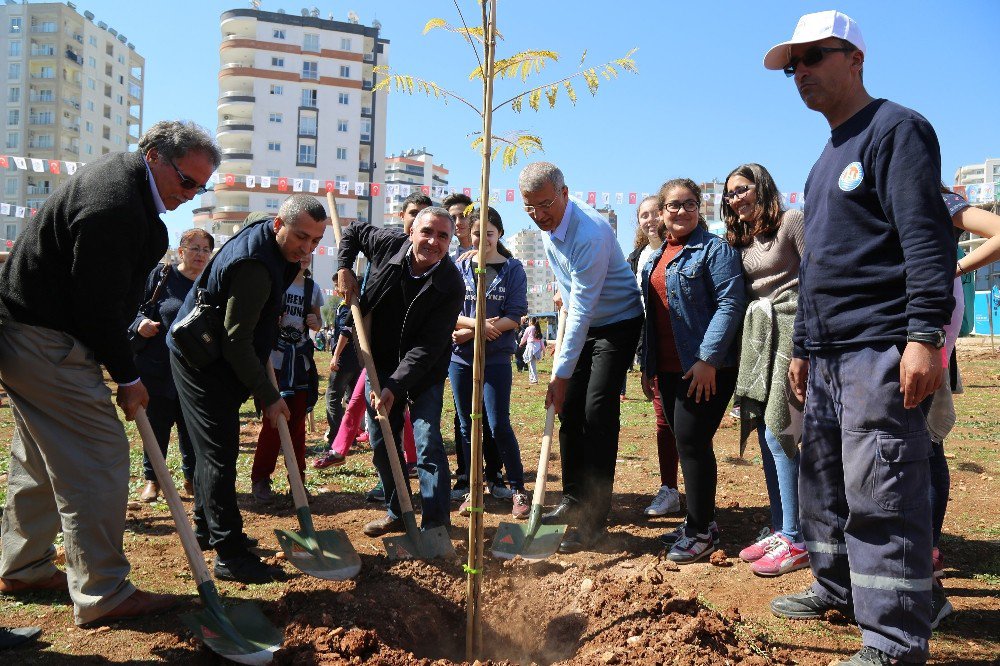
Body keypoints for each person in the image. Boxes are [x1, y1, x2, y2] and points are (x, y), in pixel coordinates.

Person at [763, 12, 956, 665]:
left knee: (882, 490)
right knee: (825, 486)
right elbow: (816, 269)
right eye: (794, 64)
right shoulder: (823, 163)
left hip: (880, 345)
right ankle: (837, 588)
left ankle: (896, 639)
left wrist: (924, 334)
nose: (802, 72)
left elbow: (926, 239)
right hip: (825, 357)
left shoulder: (897, 130)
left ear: (855, 59)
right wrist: (801, 350)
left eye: (815, 56)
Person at [0, 120, 219, 626]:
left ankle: (24, 565)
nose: (190, 194)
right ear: (155, 157)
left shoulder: (122, 185)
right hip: (45, 338)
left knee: (39, 455)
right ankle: (104, 591)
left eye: (200, 187)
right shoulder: (116, 205)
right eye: (187, 181)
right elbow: (97, 305)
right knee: (99, 453)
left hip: (27, 332)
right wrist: (127, 376)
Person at [168, 195, 326, 584]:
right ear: (277, 225)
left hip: (222, 354)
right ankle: (230, 555)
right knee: (218, 455)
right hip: (202, 360)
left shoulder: (271, 241)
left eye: (315, 242)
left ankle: (209, 531)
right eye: (300, 237)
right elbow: (236, 341)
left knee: (213, 453)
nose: (306, 249)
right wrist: (269, 395)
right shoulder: (254, 266)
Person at [520, 162, 644, 554]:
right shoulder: (549, 228)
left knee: (596, 411)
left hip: (617, 322)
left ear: (565, 193)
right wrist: (562, 294)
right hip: (584, 319)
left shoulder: (590, 233)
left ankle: (593, 519)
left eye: (545, 205)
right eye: (530, 209)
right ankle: (573, 498)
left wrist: (559, 372)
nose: (539, 216)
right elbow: (568, 285)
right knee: (570, 409)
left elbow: (585, 308)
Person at [336, 207, 465, 537]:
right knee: (382, 440)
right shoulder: (387, 243)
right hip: (377, 361)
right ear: (411, 232)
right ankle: (397, 510)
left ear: (450, 242)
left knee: (426, 441)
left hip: (424, 372)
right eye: (427, 232)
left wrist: (395, 385)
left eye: (443, 236)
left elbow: (428, 345)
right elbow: (351, 231)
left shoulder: (451, 283)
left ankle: (435, 525)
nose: (433, 241)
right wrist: (344, 268)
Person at [639, 179, 746, 564]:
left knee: (693, 442)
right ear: (662, 211)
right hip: (666, 368)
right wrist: (647, 365)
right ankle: (700, 521)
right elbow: (651, 317)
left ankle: (702, 532)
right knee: (685, 442)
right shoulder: (656, 256)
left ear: (700, 208)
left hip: (703, 368)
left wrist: (708, 359)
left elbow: (731, 304)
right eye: (673, 205)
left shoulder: (715, 250)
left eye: (689, 204)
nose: (680, 211)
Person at [721, 164, 809, 577]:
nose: (736, 197)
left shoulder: (792, 221)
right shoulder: (740, 239)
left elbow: (816, 276)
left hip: (793, 329)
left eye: (742, 189)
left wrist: (807, 344)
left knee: (781, 429)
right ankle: (781, 526)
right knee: (763, 430)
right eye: (730, 193)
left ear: (762, 187)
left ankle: (798, 537)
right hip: (759, 337)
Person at [450, 206, 531, 519]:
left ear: (499, 234)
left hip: (496, 359)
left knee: (498, 424)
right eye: (476, 234)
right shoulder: (458, 267)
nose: (482, 239)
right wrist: (478, 326)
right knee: (468, 423)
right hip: (460, 360)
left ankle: (517, 488)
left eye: (489, 233)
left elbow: (514, 315)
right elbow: (448, 313)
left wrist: (472, 330)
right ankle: (473, 488)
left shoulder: (513, 269)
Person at [131, 228, 214, 503]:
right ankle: (153, 481)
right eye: (195, 248)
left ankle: (192, 480)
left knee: (190, 428)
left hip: (193, 371)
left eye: (205, 249)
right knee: (157, 426)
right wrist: (139, 324)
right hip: (157, 367)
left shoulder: (210, 284)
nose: (200, 254)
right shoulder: (161, 276)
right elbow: (134, 308)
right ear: (181, 251)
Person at [249, 257, 324, 501]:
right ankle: (260, 479)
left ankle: (297, 481)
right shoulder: (275, 283)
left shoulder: (312, 289)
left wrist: (316, 322)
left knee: (297, 425)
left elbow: (318, 321)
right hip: (275, 363)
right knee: (272, 424)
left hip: (300, 364)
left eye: (310, 250)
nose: (303, 255)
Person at [627, 196, 681, 517]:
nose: (649, 220)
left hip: (684, 345)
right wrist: (642, 357)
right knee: (663, 421)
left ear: (663, 215)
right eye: (642, 215)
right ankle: (669, 488)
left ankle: (701, 495)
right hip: (652, 346)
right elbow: (636, 307)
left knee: (686, 425)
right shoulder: (636, 258)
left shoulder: (682, 249)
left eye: (653, 213)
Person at [314, 302, 361, 468]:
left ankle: (336, 437)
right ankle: (351, 437)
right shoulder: (357, 304)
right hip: (358, 361)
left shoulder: (345, 307)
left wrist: (335, 356)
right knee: (352, 401)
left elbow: (345, 331)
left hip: (344, 362)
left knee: (333, 397)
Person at [444, 192, 475, 256]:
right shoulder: (450, 259)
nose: (458, 222)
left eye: (463, 216)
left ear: (474, 217)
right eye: (453, 218)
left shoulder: (490, 253)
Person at [520, 317, 544, 384]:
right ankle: (531, 379)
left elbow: (524, 337)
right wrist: (543, 349)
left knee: (532, 364)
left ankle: (534, 380)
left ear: (531, 322)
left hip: (531, 347)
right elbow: (541, 340)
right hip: (537, 348)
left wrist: (521, 343)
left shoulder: (529, 328)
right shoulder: (538, 329)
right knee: (531, 364)